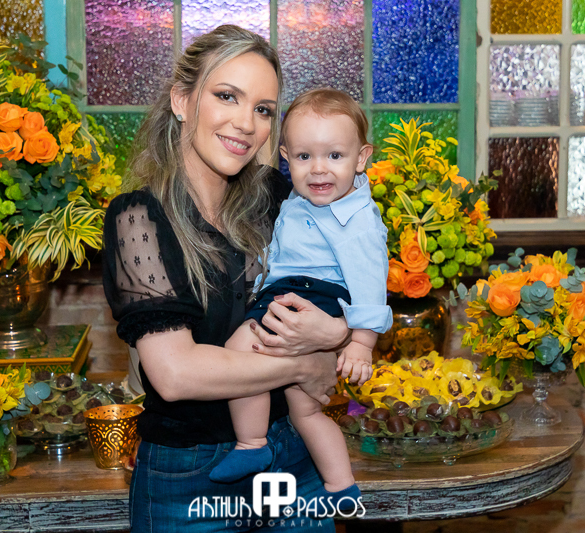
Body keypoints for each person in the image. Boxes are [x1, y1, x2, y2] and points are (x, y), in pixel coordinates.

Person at [102, 26, 349, 532]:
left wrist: (338, 335)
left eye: (263, 109)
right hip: (190, 475)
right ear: (181, 100)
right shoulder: (138, 217)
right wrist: (304, 365)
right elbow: (176, 375)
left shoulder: (278, 198)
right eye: (227, 96)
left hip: (294, 451)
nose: (246, 124)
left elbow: (343, 290)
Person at [208, 89, 391, 506]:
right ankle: (341, 485)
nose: (319, 169)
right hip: (292, 291)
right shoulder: (300, 200)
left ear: (361, 158)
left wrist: (362, 343)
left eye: (335, 156)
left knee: (240, 351)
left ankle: (251, 443)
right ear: (286, 158)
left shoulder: (358, 219)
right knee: (305, 410)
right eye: (305, 157)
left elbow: (370, 282)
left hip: (313, 294)